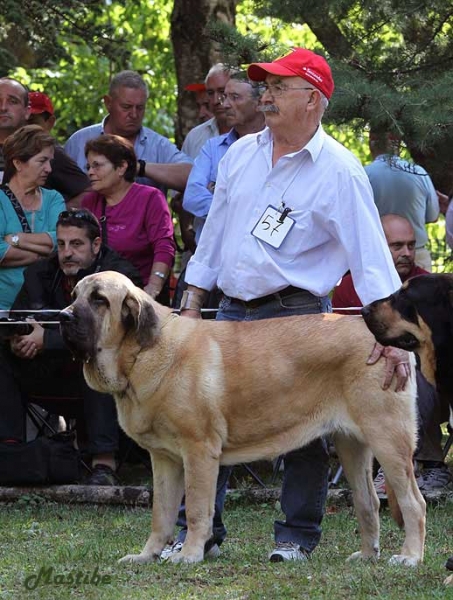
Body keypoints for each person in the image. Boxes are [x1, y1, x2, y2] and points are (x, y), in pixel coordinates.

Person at [175, 47, 410, 563]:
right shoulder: (239, 152)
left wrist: (394, 337)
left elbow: (371, 257)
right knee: (204, 419)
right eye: (266, 85)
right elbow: (213, 234)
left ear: (313, 100)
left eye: (280, 86)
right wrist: (192, 301)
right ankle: (198, 533)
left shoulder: (340, 171)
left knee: (308, 430)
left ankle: (295, 539)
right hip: (229, 312)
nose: (267, 94)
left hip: (297, 313)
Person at [0, 208, 142, 484]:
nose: (66, 253)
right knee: (2, 358)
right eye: (62, 244)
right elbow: (20, 317)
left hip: (112, 383)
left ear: (96, 244)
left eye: (76, 244)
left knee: (100, 361)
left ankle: (104, 464)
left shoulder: (119, 275)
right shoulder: (40, 272)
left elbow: (112, 334)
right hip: (52, 375)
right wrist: (19, 341)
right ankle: (11, 452)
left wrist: (48, 340)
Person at [332, 214, 451, 493]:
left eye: (411, 245)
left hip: (420, 377)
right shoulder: (349, 288)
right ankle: (383, 467)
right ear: (378, 247)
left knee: (417, 369)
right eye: (397, 246)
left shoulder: (428, 286)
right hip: (364, 373)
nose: (406, 253)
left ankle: (428, 464)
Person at [64, 70, 193, 196]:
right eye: (126, 107)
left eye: (140, 108)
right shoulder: (78, 142)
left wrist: (139, 168)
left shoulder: (157, 145)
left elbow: (194, 176)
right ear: (108, 103)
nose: (134, 114)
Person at [81, 134, 175, 301]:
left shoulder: (150, 198)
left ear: (121, 167)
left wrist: (153, 287)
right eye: (88, 166)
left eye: (97, 166)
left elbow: (164, 245)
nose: (90, 172)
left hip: (141, 295)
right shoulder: (89, 202)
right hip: (99, 298)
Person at [183, 73, 265, 242]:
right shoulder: (213, 148)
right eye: (225, 97)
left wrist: (217, 194)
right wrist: (241, 211)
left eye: (235, 98)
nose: (225, 104)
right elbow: (192, 197)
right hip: (211, 260)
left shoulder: (277, 147)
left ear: (259, 102)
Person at [0, 125, 66, 309]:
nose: (49, 169)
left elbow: (62, 240)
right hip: (3, 306)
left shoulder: (53, 198)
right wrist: (45, 255)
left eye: (50, 161)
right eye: (42, 161)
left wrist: (16, 239)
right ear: (18, 163)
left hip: (44, 306)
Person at [0, 78, 90, 204]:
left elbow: (89, 192)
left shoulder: (44, 150)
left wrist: (58, 215)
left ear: (27, 111)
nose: (3, 107)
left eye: (12, 101)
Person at [365, 129, 439, 271]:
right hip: (415, 254)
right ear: (398, 144)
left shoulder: (364, 175)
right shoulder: (418, 172)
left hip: (378, 257)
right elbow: (433, 216)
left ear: (371, 144)